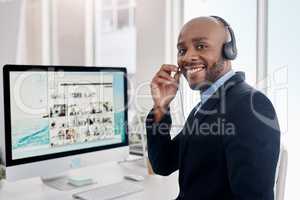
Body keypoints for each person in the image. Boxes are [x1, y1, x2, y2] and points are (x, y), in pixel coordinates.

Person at [146, 16, 280, 200]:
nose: (187, 57)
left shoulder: (250, 106)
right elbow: (162, 163)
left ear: (228, 50)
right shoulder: (204, 107)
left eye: (200, 46)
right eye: (182, 50)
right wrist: (161, 107)